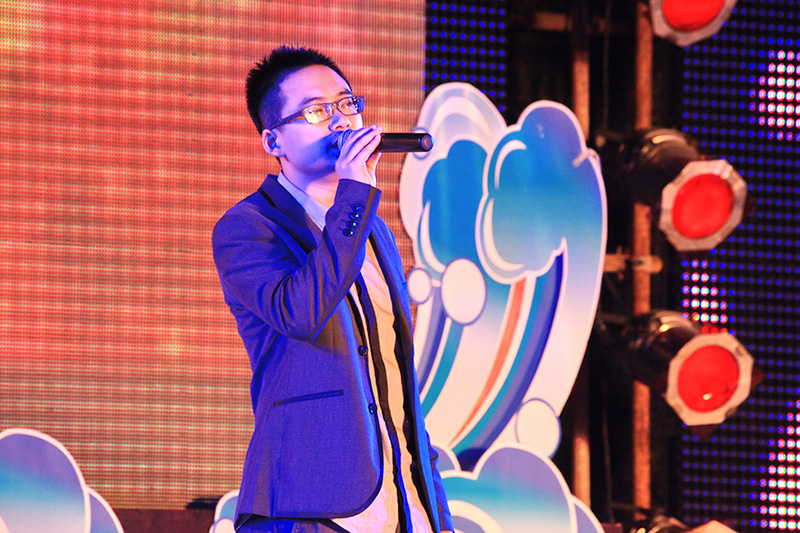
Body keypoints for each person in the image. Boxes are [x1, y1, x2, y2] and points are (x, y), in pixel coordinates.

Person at [212, 46, 454, 533]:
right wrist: (353, 194)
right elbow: (301, 313)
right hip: (309, 506)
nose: (341, 120)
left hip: (403, 503)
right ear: (273, 141)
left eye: (347, 103)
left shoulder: (374, 231)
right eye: (316, 111)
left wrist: (436, 513)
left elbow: (395, 382)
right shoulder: (247, 227)